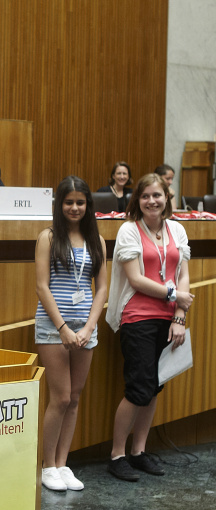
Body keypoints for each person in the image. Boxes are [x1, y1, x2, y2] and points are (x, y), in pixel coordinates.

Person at [105, 173, 194, 482]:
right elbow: (136, 279)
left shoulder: (177, 229)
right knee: (138, 388)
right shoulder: (129, 230)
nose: (152, 201)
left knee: (155, 386)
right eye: (145, 196)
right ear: (137, 200)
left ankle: (138, 451)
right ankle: (117, 455)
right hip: (138, 317)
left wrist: (179, 316)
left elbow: (184, 276)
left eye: (157, 195)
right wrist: (174, 295)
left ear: (166, 197)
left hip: (168, 318)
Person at [35, 176, 108, 492]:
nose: (75, 208)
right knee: (61, 397)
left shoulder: (97, 240)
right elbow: (42, 287)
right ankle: (47, 465)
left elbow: (102, 288)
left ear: (88, 205)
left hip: (85, 328)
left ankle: (63, 464)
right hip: (54, 328)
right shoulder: (48, 237)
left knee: (75, 398)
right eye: (69, 202)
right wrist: (63, 328)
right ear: (60, 204)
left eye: (80, 202)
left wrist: (89, 327)